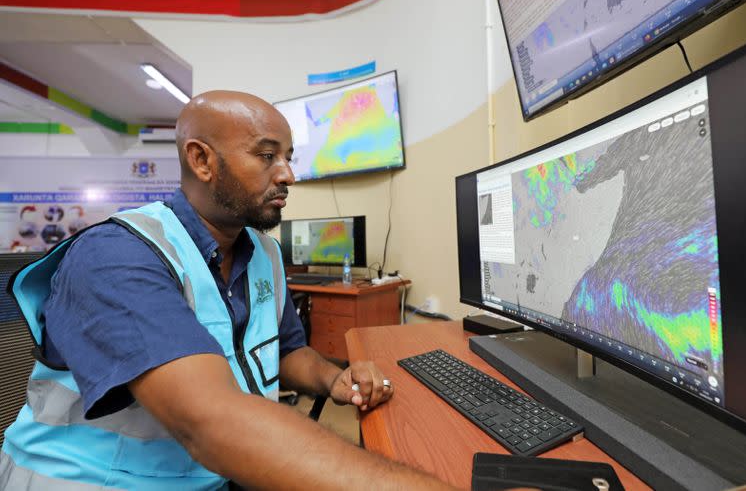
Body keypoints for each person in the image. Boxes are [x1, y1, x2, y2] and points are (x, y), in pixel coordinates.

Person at [1, 91, 454, 490]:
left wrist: (331, 379)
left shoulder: (264, 253)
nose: (288, 175)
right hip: (86, 480)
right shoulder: (116, 256)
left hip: (212, 476)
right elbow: (209, 424)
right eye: (266, 156)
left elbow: (284, 351)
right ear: (202, 161)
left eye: (289, 157)